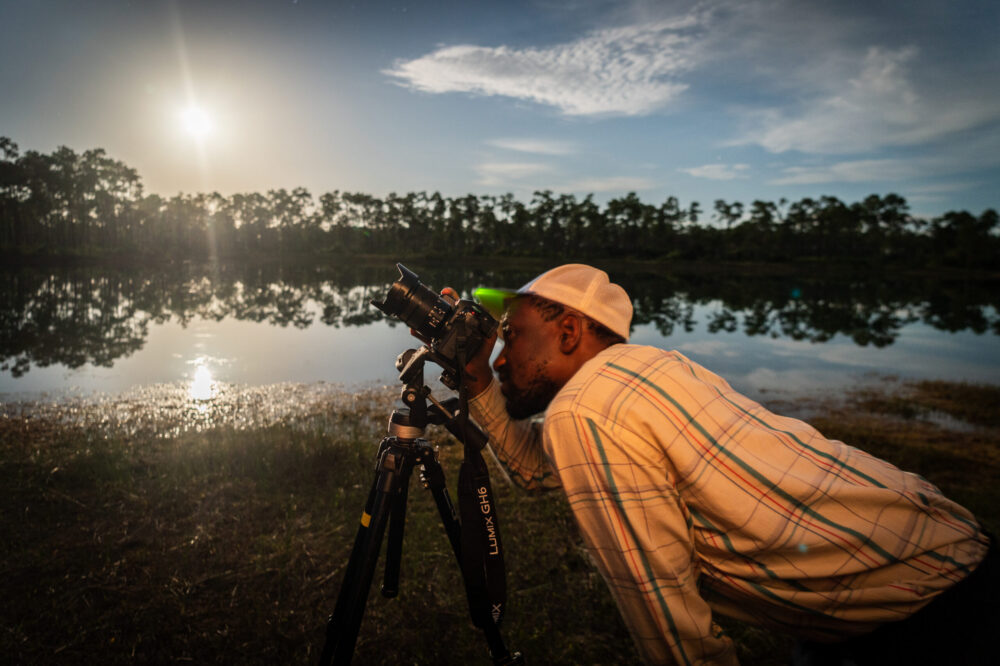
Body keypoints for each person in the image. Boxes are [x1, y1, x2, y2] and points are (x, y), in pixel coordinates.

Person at [445, 264, 995, 666]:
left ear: (568, 331)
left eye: (511, 335)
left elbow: (670, 626)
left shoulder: (586, 409)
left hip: (933, 615)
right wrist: (479, 382)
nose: (499, 354)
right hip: (934, 558)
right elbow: (539, 470)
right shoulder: (650, 366)